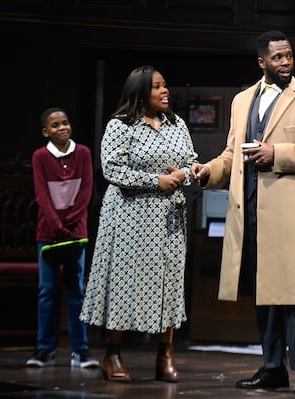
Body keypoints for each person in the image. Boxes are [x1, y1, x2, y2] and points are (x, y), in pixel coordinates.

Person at [190, 31, 295, 395]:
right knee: (265, 295)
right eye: (277, 58)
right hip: (252, 211)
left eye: (289, 56)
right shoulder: (242, 101)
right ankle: (272, 368)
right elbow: (231, 155)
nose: (285, 63)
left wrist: (279, 153)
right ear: (262, 62)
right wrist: (209, 171)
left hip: (292, 217)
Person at [80, 65, 198, 383]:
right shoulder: (121, 125)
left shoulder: (177, 124)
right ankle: (112, 354)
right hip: (129, 218)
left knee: (169, 282)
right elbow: (112, 170)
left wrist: (182, 175)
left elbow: (191, 163)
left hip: (169, 218)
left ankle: (165, 354)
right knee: (123, 283)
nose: (165, 92)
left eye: (165, 86)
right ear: (140, 92)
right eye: (157, 87)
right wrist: (154, 181)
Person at [27, 107, 99, 368]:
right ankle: (44, 349)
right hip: (49, 234)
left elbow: (85, 192)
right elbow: (42, 196)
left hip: (74, 233)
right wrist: (57, 226)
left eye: (66, 123)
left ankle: (80, 350)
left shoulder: (83, 154)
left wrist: (71, 223)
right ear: (46, 131)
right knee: (47, 291)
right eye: (55, 125)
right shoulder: (40, 157)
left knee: (76, 291)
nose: (62, 128)